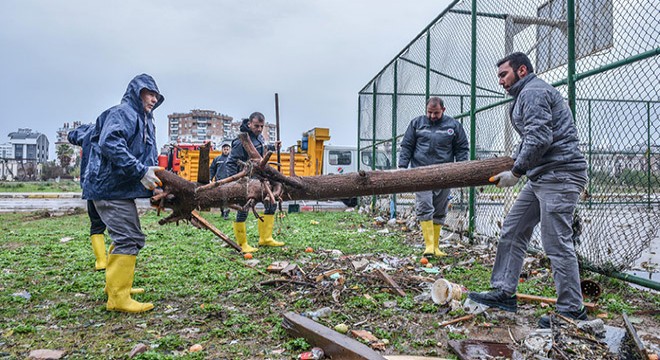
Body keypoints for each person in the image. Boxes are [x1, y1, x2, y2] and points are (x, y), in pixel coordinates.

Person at [467, 52, 588, 328]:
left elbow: (540, 138)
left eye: (503, 75)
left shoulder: (533, 92)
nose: (500, 81)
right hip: (542, 175)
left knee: (556, 240)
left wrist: (516, 172)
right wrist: (518, 165)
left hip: (560, 174)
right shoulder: (526, 95)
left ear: (522, 70)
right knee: (513, 227)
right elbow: (529, 140)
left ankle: (572, 310)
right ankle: (504, 292)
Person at [83, 73, 164, 313]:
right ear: (136, 92)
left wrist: (154, 186)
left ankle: (116, 287)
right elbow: (111, 144)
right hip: (110, 188)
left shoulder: (146, 120)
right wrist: (140, 172)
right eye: (149, 93)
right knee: (129, 238)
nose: (153, 99)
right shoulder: (123, 113)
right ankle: (118, 298)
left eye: (156, 95)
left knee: (126, 236)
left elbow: (148, 158)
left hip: (120, 190)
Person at [398, 97, 469, 258]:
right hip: (420, 173)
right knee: (424, 205)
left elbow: (462, 148)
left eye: (435, 113)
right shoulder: (416, 124)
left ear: (443, 110)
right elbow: (407, 145)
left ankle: (436, 246)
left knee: (440, 209)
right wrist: (402, 166)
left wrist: (462, 168)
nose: (432, 116)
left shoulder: (453, 126)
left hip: (445, 173)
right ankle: (428, 246)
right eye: (429, 112)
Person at [223, 112, 283, 253]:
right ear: (249, 124)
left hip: (260, 179)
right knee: (244, 209)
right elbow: (230, 162)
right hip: (245, 180)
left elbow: (260, 150)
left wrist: (273, 147)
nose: (259, 129)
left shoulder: (259, 137)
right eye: (256, 126)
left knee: (270, 203)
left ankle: (265, 238)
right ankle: (242, 244)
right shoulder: (241, 141)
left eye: (262, 126)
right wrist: (236, 182)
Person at [67, 123, 108, 271]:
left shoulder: (88, 132)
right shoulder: (116, 129)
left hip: (91, 185)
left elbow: (72, 136)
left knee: (96, 225)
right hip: (112, 186)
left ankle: (101, 261)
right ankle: (116, 261)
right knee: (119, 226)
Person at [210, 143, 232, 219]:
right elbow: (212, 169)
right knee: (220, 198)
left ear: (230, 150)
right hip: (219, 181)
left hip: (229, 182)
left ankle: (226, 212)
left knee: (226, 197)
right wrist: (210, 178)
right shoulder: (217, 159)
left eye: (227, 149)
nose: (226, 151)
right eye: (224, 149)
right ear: (222, 150)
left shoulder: (232, 159)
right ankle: (223, 212)